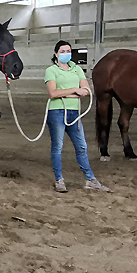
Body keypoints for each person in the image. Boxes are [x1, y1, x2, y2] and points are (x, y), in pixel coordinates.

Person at [45, 41, 109, 193]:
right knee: (57, 147)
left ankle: (90, 179)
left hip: (74, 113)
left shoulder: (77, 69)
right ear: (56, 54)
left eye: (68, 51)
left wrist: (69, 92)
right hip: (57, 112)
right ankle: (59, 180)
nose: (66, 53)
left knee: (81, 146)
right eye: (62, 51)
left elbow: (86, 90)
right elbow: (53, 93)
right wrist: (75, 90)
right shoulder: (51, 70)